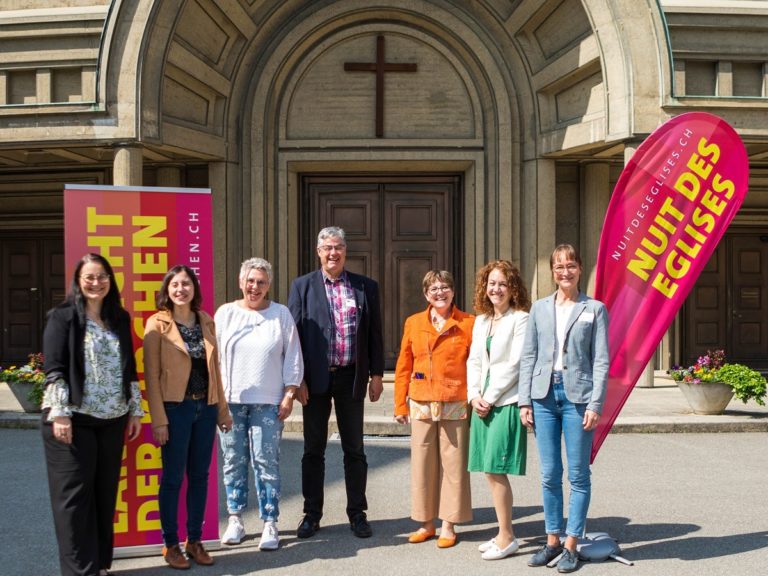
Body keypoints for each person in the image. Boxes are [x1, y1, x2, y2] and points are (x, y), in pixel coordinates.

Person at [41, 253, 143, 576]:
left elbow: (130, 369)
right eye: (89, 277)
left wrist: (135, 411)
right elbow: (54, 369)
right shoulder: (63, 317)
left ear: (110, 280)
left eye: (101, 276)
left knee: (103, 496)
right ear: (78, 281)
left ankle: (98, 564)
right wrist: (59, 414)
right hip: (73, 420)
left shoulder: (119, 317)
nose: (96, 283)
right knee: (74, 504)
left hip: (112, 421)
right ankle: (78, 571)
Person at [288, 226, 385, 539]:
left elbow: (374, 333)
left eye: (338, 247)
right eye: (327, 248)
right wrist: (297, 379)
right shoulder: (302, 287)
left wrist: (377, 375)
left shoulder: (364, 286)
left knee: (354, 449)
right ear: (319, 252)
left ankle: (357, 513)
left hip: (350, 377)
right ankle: (311, 514)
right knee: (312, 449)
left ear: (346, 251)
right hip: (314, 380)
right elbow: (294, 338)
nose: (333, 253)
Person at [518, 244, 609, 573]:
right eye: (559, 267)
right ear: (552, 271)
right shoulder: (539, 309)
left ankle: (572, 544)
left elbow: (601, 361)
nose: (565, 272)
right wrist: (524, 400)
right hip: (543, 397)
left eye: (570, 265)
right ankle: (552, 540)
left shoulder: (594, 309)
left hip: (578, 398)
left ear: (580, 269)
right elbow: (528, 356)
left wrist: (595, 403)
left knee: (578, 475)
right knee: (549, 474)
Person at [144, 265, 232, 570]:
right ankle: (170, 545)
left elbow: (215, 371)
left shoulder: (205, 320)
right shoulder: (156, 325)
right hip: (175, 409)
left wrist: (221, 409)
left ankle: (194, 541)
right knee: (172, 478)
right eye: (175, 284)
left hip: (204, 409)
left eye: (186, 284)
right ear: (167, 290)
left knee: (199, 476)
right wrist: (159, 420)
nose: (181, 289)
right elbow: (151, 378)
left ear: (194, 289)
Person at [215, 257, 304, 550]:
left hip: (269, 402)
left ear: (268, 286)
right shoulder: (225, 314)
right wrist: (216, 399)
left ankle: (269, 522)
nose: (254, 287)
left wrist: (290, 393)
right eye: (250, 281)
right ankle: (236, 518)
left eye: (261, 282)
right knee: (233, 461)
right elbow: (213, 358)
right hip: (231, 402)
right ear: (241, 283)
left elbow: (292, 355)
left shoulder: (280, 315)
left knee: (267, 462)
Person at [394, 270, 474, 548]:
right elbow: (404, 365)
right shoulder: (414, 322)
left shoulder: (469, 323)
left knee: (453, 464)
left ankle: (449, 524)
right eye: (433, 289)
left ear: (453, 291)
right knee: (422, 464)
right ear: (425, 294)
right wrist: (399, 403)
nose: (439, 293)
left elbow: (475, 364)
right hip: (421, 399)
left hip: (455, 399)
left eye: (444, 288)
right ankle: (426, 523)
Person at [466, 260, 530, 560]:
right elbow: (474, 362)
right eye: (492, 283)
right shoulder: (481, 321)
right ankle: (502, 531)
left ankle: (508, 537)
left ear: (513, 287)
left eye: (502, 283)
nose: (496, 288)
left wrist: (489, 398)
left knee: (496, 470)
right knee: (489, 471)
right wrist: (473, 395)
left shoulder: (521, 319)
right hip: (482, 400)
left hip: (504, 401)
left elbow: (515, 365)